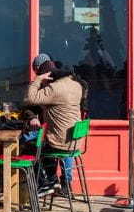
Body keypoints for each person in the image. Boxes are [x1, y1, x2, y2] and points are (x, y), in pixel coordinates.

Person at [24, 53, 87, 197]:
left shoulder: (54, 89)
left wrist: (38, 79)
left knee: (32, 148)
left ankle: (48, 182)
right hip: (75, 141)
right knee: (49, 144)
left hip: (61, 141)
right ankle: (63, 184)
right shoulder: (75, 84)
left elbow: (29, 98)